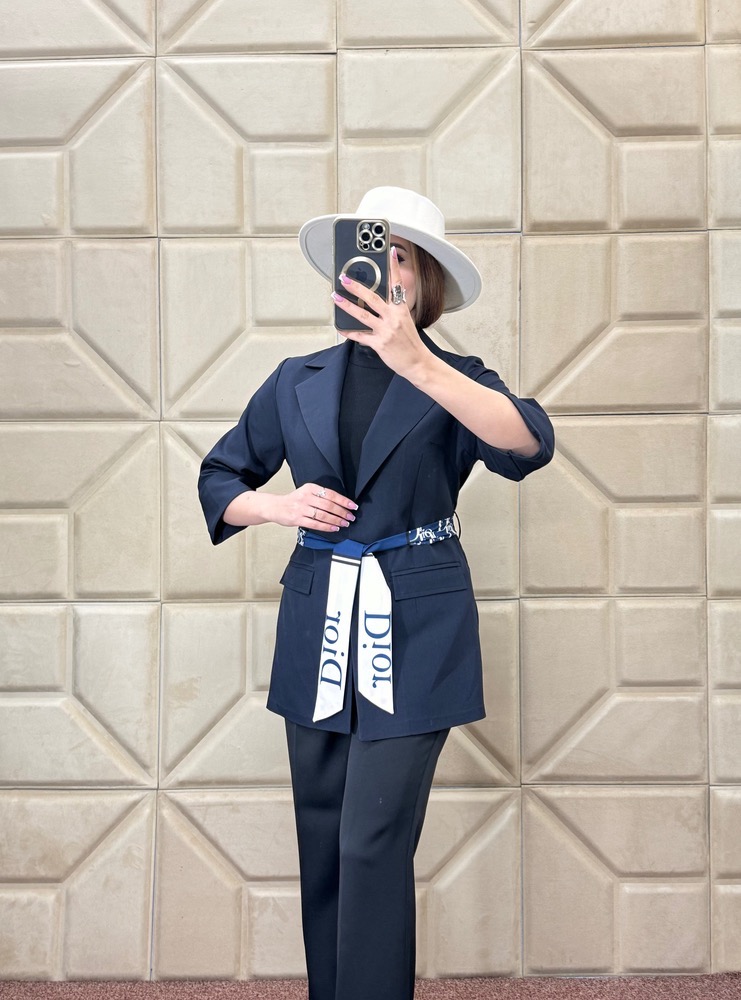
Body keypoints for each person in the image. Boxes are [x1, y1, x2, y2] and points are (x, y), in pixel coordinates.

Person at [198, 186, 554, 1000]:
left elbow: (528, 444)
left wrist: (418, 363)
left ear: (423, 282)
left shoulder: (455, 379)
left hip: (419, 628)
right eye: (366, 254)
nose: (379, 270)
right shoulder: (294, 379)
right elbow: (220, 478)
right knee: (323, 839)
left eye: (399, 257)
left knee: (371, 842)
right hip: (316, 616)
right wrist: (278, 507)